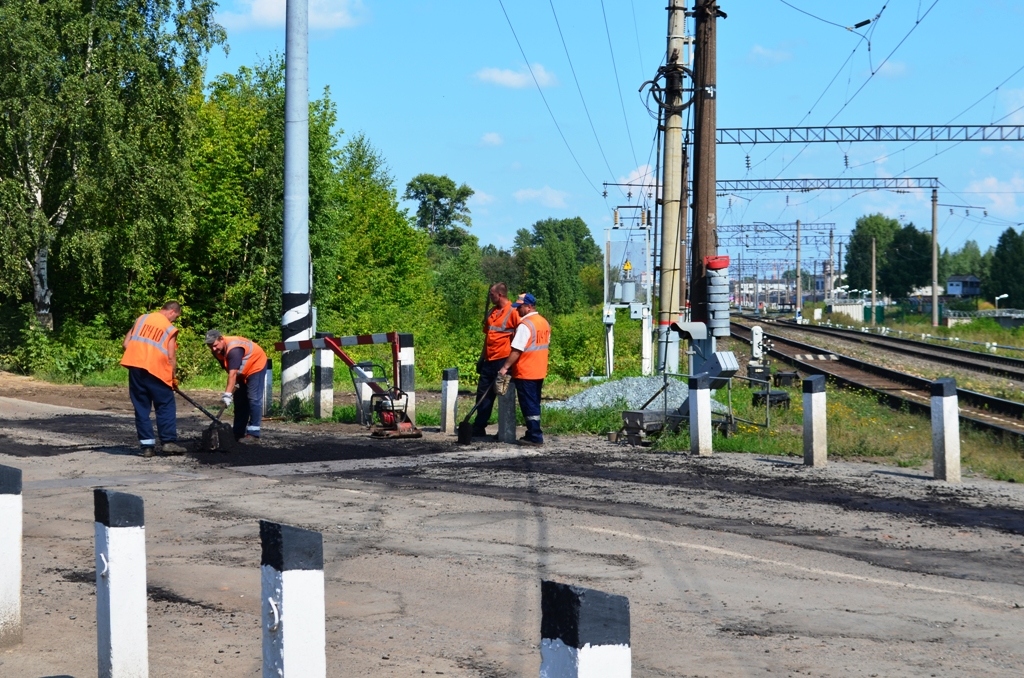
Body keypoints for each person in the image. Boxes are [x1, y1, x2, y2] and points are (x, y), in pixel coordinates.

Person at [120, 301, 187, 457]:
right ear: (172, 311)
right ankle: (168, 442)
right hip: (157, 370)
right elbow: (171, 357)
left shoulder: (141, 319)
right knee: (165, 405)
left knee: (141, 407)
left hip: (135, 367)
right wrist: (172, 378)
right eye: (176, 317)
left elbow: (126, 344)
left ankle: (147, 447)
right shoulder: (169, 328)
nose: (174, 320)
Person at [497, 293, 549, 446]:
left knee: (528, 405)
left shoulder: (525, 325)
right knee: (534, 403)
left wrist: (505, 367)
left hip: (526, 371)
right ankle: (533, 432)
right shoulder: (544, 322)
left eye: (520, 307)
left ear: (529, 307)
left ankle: (535, 436)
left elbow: (517, 350)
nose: (517, 310)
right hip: (539, 370)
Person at [471, 283, 519, 437]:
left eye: (491, 294)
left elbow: (519, 338)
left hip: (503, 360)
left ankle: (505, 429)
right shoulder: (492, 312)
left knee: (503, 394)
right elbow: (488, 337)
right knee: (483, 394)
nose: (489, 297)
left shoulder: (513, 312)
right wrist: (482, 358)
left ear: (500, 295)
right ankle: (479, 426)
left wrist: (510, 364)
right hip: (489, 360)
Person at [205, 330, 269, 444]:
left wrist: (227, 394)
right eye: (210, 346)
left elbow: (232, 374)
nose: (213, 349)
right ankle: (238, 433)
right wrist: (235, 384)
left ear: (221, 339)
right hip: (241, 370)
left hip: (256, 365)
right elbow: (229, 369)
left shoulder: (234, 349)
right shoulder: (216, 351)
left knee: (253, 399)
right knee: (239, 400)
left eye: (215, 345)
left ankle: (253, 434)